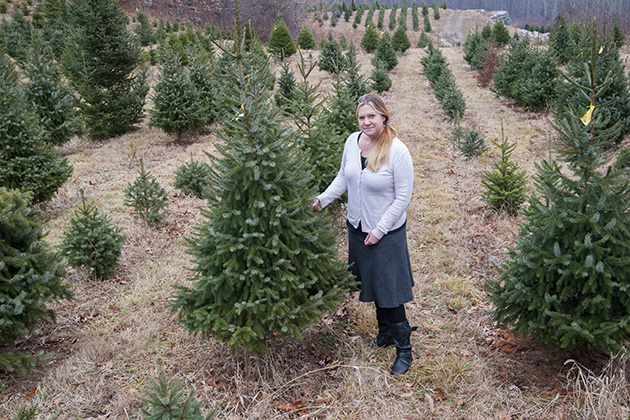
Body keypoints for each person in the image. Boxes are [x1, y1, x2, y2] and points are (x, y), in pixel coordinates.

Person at [311, 93, 415, 375]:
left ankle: (404, 351)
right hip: (357, 227)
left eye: (372, 116)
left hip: (386, 233)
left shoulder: (397, 150)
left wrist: (380, 230)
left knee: (390, 291)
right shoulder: (352, 141)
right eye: (362, 117)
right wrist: (322, 199)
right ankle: (385, 334)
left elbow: (403, 197)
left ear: (384, 116)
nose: (366, 121)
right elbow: (344, 177)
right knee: (372, 283)